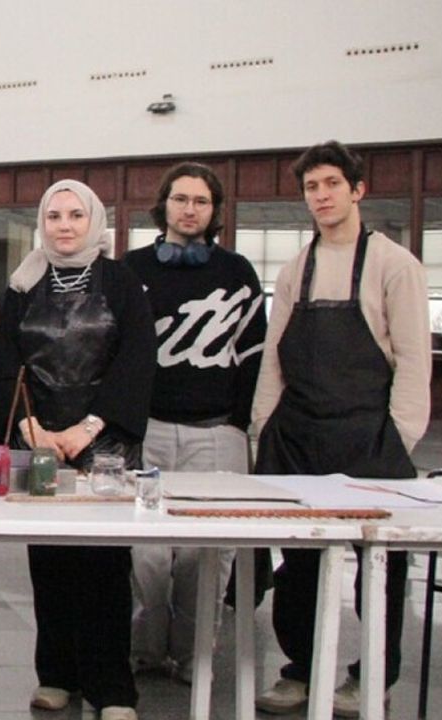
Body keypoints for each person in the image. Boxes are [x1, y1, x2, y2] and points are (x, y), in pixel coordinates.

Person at [252, 141, 431, 718]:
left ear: (357, 190)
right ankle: (301, 670)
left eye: (332, 184)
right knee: (299, 564)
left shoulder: (395, 265)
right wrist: (264, 427)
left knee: (382, 566)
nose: (322, 195)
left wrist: (398, 438)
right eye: (312, 187)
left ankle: (372, 675)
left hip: (369, 437)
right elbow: (274, 357)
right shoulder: (295, 268)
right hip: (298, 435)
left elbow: (413, 359)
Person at [0, 179, 155, 720]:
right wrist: (29, 426)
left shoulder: (122, 281)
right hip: (40, 440)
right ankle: (57, 674)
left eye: (75, 215)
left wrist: (88, 427)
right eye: (54, 215)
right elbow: (3, 361)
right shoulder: (22, 284)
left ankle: (112, 688)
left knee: (105, 566)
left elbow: (137, 359)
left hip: (105, 441)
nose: (64, 225)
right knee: (50, 562)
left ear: (94, 222)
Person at [123, 162, 266, 683]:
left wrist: (239, 425)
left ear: (214, 211)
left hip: (217, 433)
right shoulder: (132, 269)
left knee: (206, 555)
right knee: (148, 555)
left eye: (201, 201)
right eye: (180, 199)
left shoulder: (237, 272)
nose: (189, 209)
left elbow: (254, 355)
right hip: (149, 432)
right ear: (163, 205)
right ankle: (145, 649)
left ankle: (193, 656)